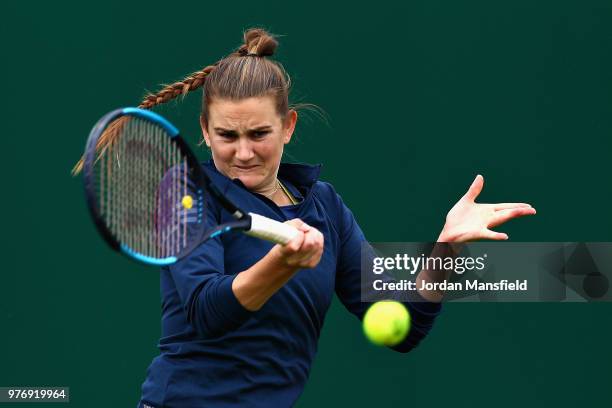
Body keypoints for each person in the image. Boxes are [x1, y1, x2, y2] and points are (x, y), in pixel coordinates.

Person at [103, 28, 536, 407]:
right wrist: (282, 262)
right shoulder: (187, 191)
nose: (243, 152)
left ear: (288, 126)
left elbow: (402, 326)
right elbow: (206, 310)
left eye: (259, 134)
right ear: (204, 130)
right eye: (226, 136)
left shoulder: (324, 207)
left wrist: (447, 248)